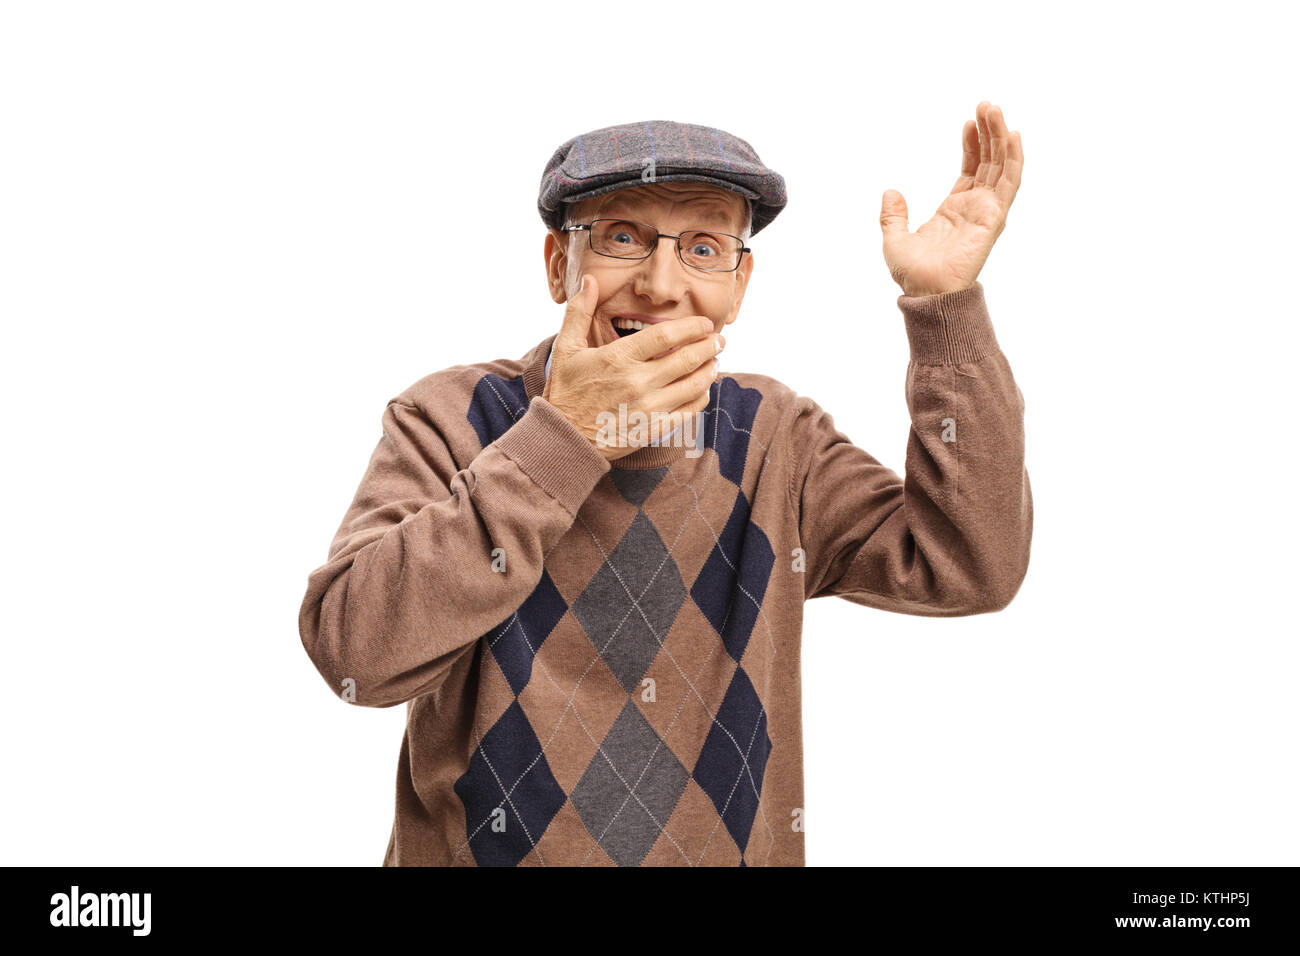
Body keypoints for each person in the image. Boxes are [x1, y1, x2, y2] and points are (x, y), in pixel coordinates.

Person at [298, 108, 1032, 866]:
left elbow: (972, 564)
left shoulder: (775, 438)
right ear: (559, 265)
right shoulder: (453, 417)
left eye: (704, 248)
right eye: (621, 237)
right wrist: (567, 440)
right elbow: (355, 652)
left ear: (738, 287)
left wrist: (944, 312)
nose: (659, 283)